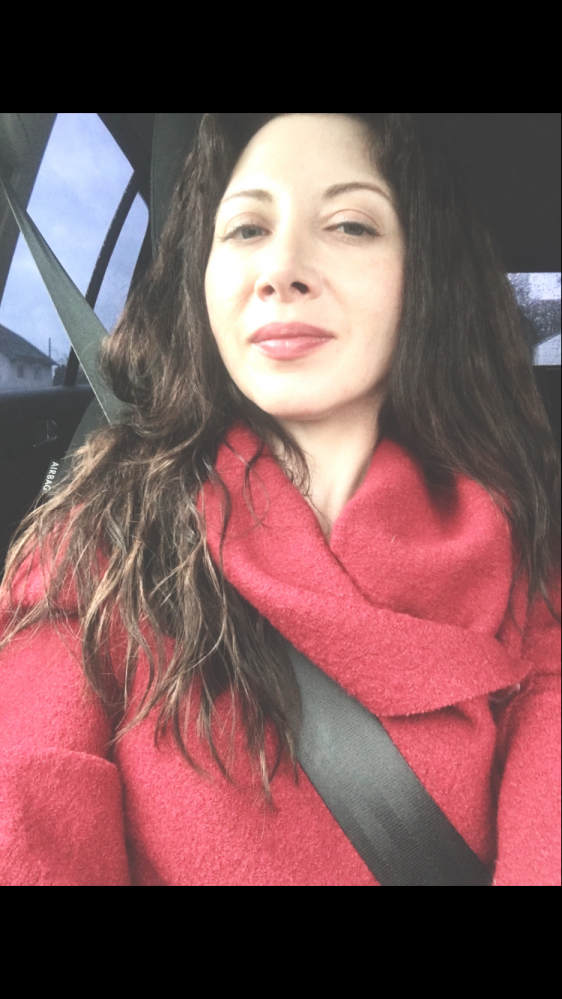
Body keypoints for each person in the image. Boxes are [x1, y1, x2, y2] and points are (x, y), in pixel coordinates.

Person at [0, 113, 560, 886]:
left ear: (423, 275)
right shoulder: (99, 541)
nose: (282, 269)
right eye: (246, 229)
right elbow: (25, 807)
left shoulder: (529, 565)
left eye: (351, 224)